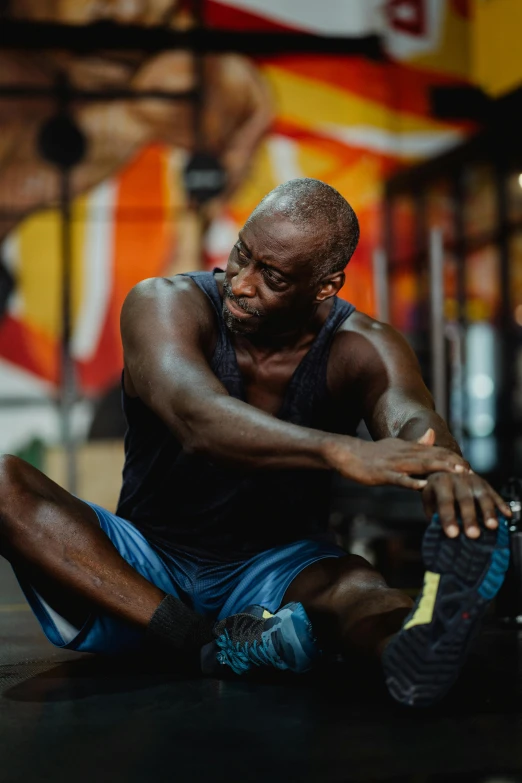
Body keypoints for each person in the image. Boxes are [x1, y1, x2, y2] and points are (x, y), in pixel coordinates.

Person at [0, 178, 512, 707]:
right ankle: (202, 642)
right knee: (2, 483)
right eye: (242, 255)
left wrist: (449, 472)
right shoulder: (165, 305)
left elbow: (412, 418)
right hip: (144, 568)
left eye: (271, 276)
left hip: (279, 575)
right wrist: (341, 449)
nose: (242, 284)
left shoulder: (362, 345)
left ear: (324, 286)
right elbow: (198, 418)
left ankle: (413, 646)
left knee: (360, 591)